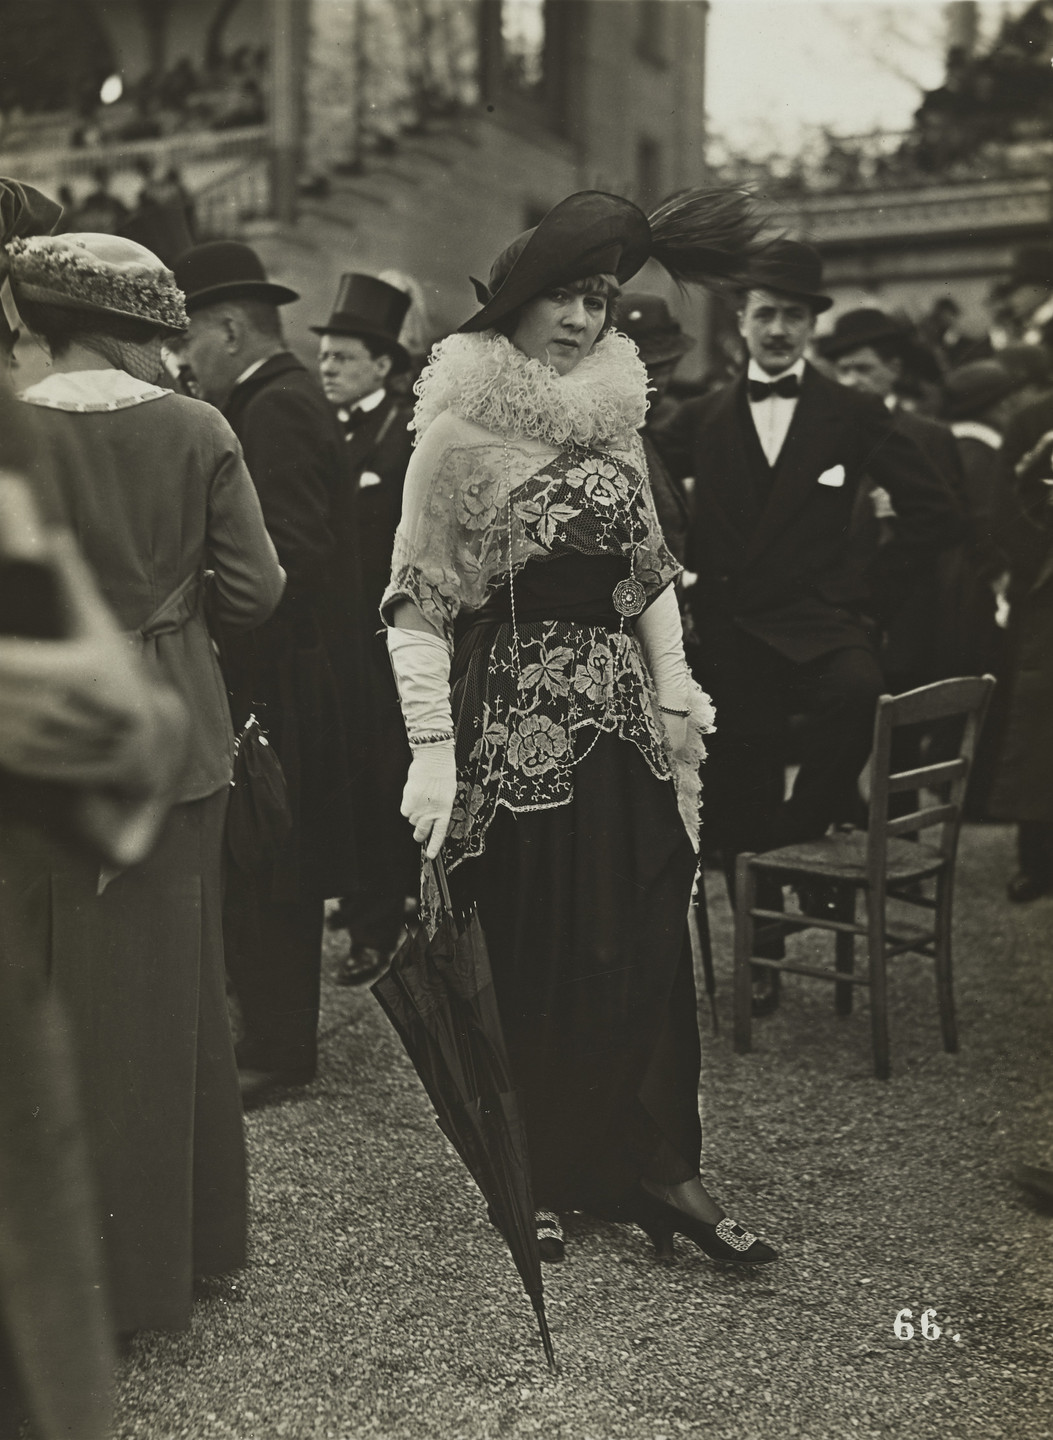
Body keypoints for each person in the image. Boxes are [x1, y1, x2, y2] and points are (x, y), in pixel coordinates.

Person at [381, 189, 778, 1266]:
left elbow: (648, 575)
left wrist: (679, 689)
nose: (582, 319)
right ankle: (541, 1171)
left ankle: (660, 1171)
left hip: (624, 732)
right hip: (510, 730)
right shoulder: (453, 438)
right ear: (512, 303)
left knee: (643, 935)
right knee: (533, 947)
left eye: (600, 300)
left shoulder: (615, 427)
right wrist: (430, 753)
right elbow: (416, 602)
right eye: (563, 295)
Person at [5, 229, 284, 1335]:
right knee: (172, 997)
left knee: (50, 996)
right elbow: (258, 591)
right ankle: (180, 1251)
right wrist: (173, 605)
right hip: (173, 738)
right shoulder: (199, 427)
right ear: (133, 333)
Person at [657, 242, 959, 1011]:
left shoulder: (851, 411)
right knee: (741, 785)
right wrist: (680, 576)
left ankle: (791, 863)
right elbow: (641, 492)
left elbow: (933, 513)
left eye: (794, 316)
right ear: (741, 324)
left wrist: (865, 595)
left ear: (810, 327)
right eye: (766, 315)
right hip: (733, 627)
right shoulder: (697, 418)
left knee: (858, 691)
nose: (779, 330)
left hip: (824, 619)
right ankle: (759, 952)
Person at [171, 240, 358, 1104]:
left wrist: (223, 650)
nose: (186, 363)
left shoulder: (273, 408)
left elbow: (291, 561)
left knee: (272, 860)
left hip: (275, 671)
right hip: (283, 666)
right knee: (265, 856)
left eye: (192, 342)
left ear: (232, 329)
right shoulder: (283, 396)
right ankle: (269, 1031)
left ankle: (280, 1048)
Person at [314, 272, 418, 984]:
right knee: (342, 779)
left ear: (382, 365)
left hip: (388, 640)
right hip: (331, 640)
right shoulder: (316, 425)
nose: (327, 368)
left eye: (343, 358)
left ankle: (378, 926)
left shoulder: (405, 435)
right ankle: (358, 905)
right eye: (323, 356)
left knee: (385, 782)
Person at [616, 291, 695, 563]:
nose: (658, 378)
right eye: (648, 367)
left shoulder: (665, 420)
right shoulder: (606, 436)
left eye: (666, 364)